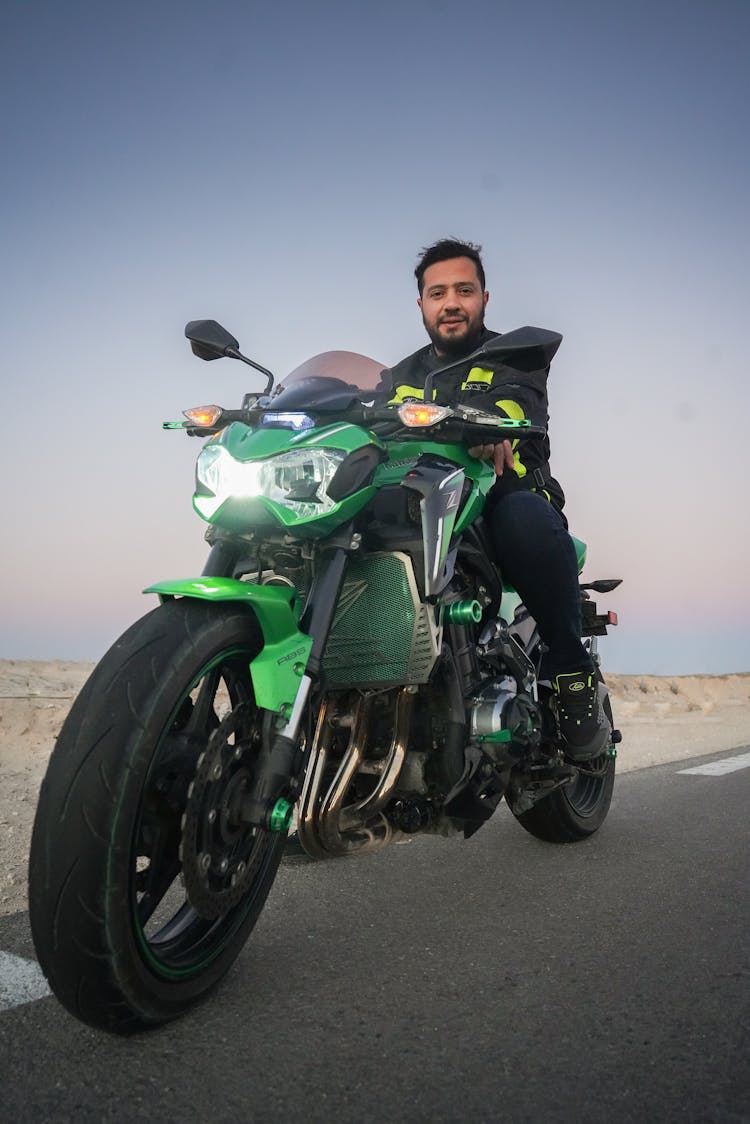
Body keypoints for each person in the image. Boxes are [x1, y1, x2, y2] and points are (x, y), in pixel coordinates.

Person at [382, 238, 610, 761]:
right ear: (421, 305)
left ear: (484, 297)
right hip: (420, 500)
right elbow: (364, 414)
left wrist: (489, 424)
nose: (451, 302)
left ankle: (569, 668)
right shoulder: (400, 377)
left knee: (524, 519)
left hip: (500, 493)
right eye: (437, 293)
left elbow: (516, 400)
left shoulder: (514, 355)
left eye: (464, 290)